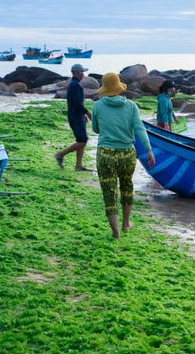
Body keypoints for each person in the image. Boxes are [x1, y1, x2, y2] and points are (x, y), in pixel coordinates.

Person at [91, 72, 156, 238]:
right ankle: (126, 223)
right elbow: (140, 129)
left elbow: (95, 129)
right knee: (126, 186)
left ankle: (115, 232)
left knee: (109, 191)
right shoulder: (131, 106)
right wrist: (149, 150)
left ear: (104, 89)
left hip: (106, 153)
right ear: (119, 87)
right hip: (127, 153)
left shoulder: (97, 106)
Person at [55, 64, 91, 171]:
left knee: (81, 140)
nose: (83, 74)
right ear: (76, 73)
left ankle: (78, 166)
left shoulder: (74, 84)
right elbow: (76, 103)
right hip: (76, 117)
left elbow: (77, 103)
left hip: (78, 116)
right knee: (83, 141)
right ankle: (60, 154)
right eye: (81, 72)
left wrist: (83, 114)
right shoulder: (75, 85)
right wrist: (87, 112)